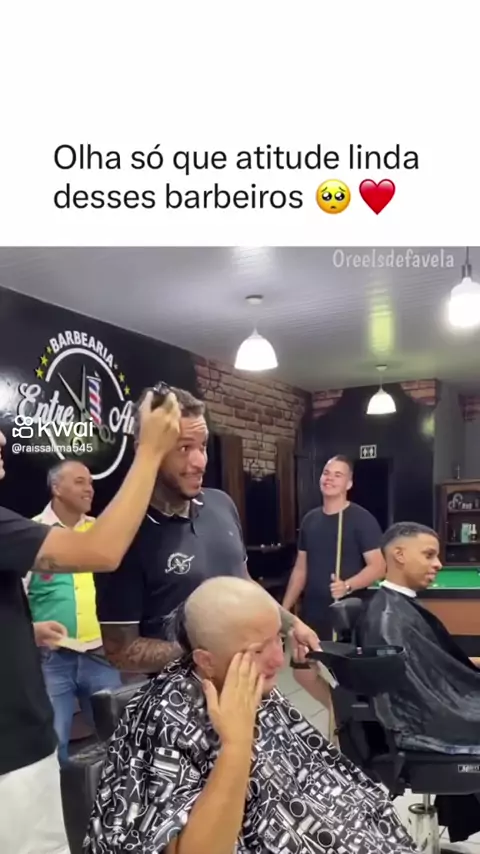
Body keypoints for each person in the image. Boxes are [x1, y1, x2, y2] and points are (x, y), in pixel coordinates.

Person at [84, 576, 417, 854]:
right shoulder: (165, 717)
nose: (277, 660)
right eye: (257, 650)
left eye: (278, 640)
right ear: (205, 660)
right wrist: (236, 744)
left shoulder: (249, 683)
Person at [0, 390, 181, 854]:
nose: (1, 439)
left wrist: (25, 631)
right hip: (12, 752)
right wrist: (149, 450)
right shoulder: (25, 528)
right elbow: (102, 551)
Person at [95, 385, 319, 677]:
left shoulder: (220, 504)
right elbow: (121, 651)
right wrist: (211, 650)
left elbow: (244, 583)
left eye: (202, 447)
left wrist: (291, 625)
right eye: (184, 448)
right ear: (146, 450)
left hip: (243, 683)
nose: (200, 462)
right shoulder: (123, 535)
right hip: (173, 695)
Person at [27, 461, 122, 765]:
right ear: (57, 488)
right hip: (51, 659)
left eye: (91, 482)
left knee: (118, 739)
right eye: (80, 482)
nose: (89, 489)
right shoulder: (32, 534)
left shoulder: (99, 533)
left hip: (101, 655)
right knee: (52, 748)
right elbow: (15, 595)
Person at [359, 522, 480, 755]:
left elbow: (434, 664)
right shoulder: (387, 619)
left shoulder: (399, 605)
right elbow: (417, 701)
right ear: (400, 555)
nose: (438, 564)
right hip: (434, 720)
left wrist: (472, 663)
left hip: (447, 701)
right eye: (429, 555)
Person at [283, 454, 384, 704]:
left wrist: (347, 585)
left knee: (342, 677)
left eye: (338, 475)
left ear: (349, 483)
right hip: (313, 612)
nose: (330, 478)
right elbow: (300, 569)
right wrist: (282, 611)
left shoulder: (361, 519)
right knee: (303, 671)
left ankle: (343, 716)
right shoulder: (310, 520)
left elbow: (378, 567)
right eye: (327, 473)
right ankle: (336, 713)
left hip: (344, 615)